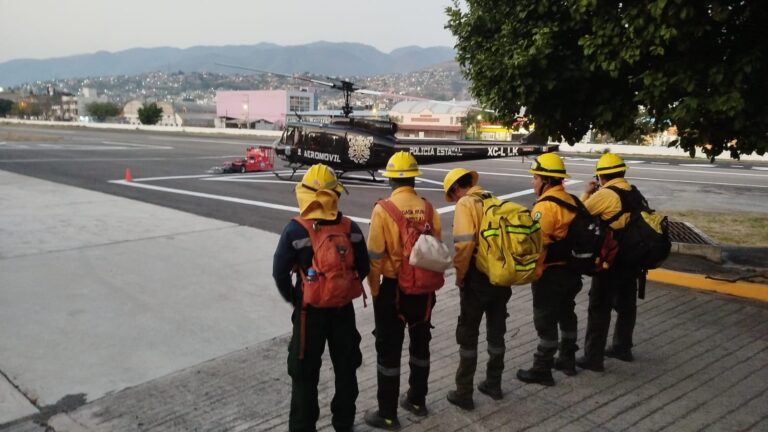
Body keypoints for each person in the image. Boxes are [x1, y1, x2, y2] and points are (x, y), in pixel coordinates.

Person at [272, 164, 369, 432]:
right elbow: (364, 267)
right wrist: (342, 287)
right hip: (343, 311)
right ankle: (344, 423)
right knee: (346, 368)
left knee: (304, 375)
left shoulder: (294, 230)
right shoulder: (351, 228)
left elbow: (279, 272)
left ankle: (303, 427)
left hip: (308, 314)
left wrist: (296, 297)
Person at [365, 151, 442, 430]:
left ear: (391, 180)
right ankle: (417, 401)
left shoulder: (383, 209)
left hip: (393, 290)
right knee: (421, 344)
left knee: (389, 350)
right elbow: (435, 250)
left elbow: (374, 255)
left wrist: (375, 290)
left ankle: (387, 413)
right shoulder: (429, 209)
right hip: (424, 289)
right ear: (413, 178)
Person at [442, 168, 513, 410]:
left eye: (452, 196)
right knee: (497, 332)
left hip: (477, 279)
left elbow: (464, 244)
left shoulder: (466, 204)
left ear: (455, 190)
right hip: (500, 276)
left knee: (468, 334)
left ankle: (464, 392)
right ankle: (494, 383)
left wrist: (460, 276)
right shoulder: (492, 198)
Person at [516, 153, 583, 386]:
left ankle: (542, 368)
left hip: (551, 274)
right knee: (567, 314)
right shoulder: (572, 200)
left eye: (535, 178)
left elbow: (538, 244)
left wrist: (534, 272)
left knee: (545, 321)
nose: (533, 182)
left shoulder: (544, 208)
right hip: (572, 272)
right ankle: (568, 359)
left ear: (545, 180)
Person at [577, 153, 639, 371]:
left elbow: (578, 215)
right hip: (633, 257)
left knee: (599, 306)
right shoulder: (632, 191)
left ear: (601, 175)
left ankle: (593, 357)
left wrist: (587, 193)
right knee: (626, 305)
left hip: (611, 259)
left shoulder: (607, 194)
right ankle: (622, 347)